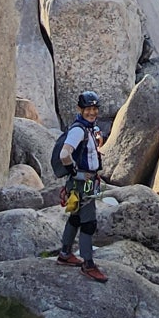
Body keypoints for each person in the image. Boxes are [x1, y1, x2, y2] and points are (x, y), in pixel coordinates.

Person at [56, 90, 107, 282]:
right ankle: (88, 264)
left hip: (84, 181)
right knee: (88, 222)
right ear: (80, 109)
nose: (92, 112)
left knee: (76, 216)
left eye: (94, 108)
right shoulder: (79, 130)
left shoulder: (89, 128)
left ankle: (65, 253)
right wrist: (76, 172)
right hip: (82, 182)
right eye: (88, 109)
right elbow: (64, 154)